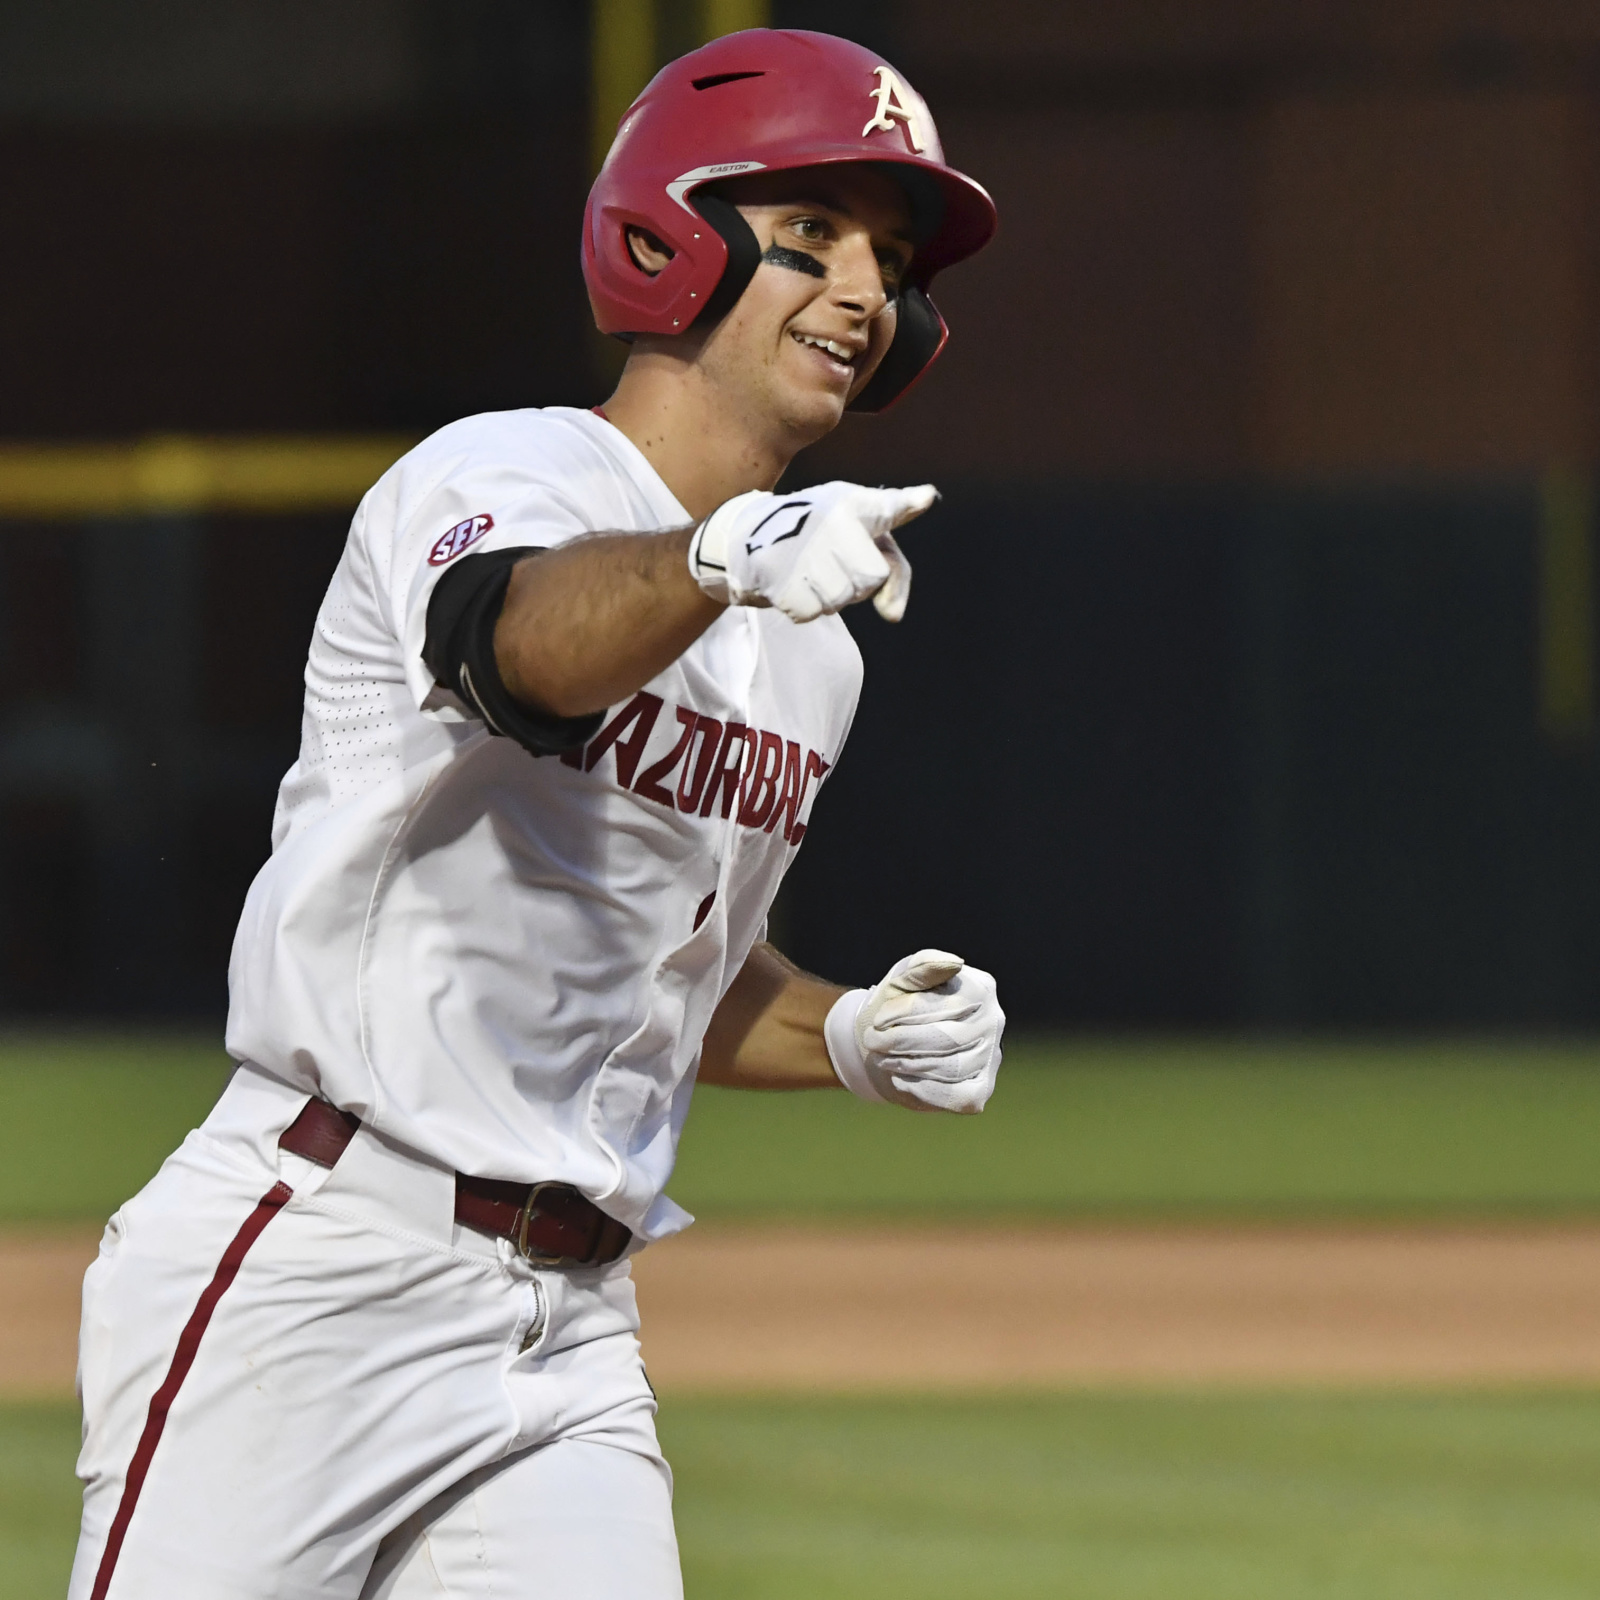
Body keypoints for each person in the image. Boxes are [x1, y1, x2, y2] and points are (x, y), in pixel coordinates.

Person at [70, 28, 1002, 1600]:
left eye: (891, 261)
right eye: (813, 238)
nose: (864, 292)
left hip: (569, 1331)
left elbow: (677, 974)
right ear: (672, 237)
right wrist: (715, 561)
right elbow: (519, 656)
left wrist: (842, 1031)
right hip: (319, 1266)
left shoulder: (814, 648)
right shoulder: (502, 475)